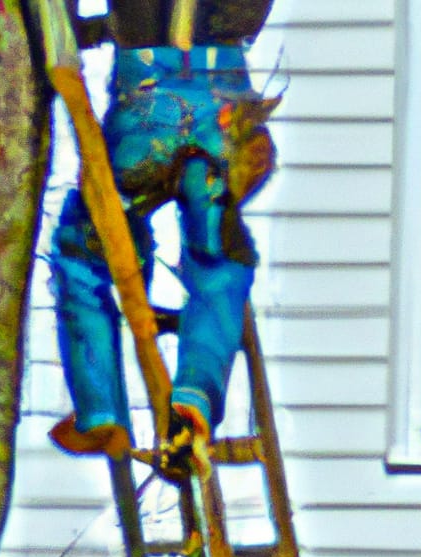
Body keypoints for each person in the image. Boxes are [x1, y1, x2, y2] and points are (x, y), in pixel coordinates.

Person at [47, 0, 278, 478]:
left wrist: (91, 32)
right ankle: (194, 401)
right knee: (219, 259)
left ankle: (101, 411)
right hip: (225, 102)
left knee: (84, 248)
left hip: (148, 101)